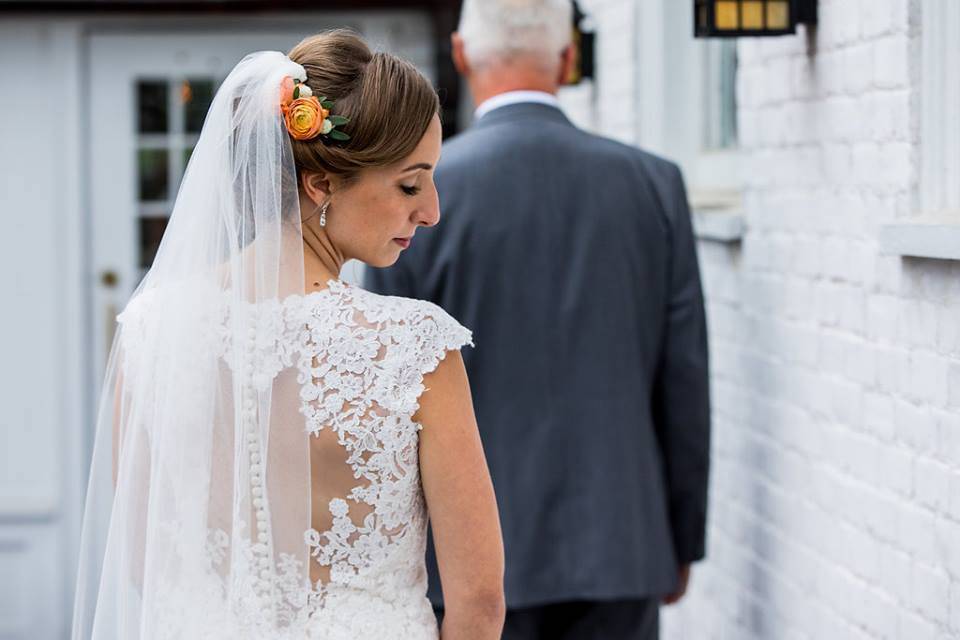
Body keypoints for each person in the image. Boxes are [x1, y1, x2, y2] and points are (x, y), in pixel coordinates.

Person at [72, 30, 504, 640]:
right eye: (410, 184)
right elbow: (479, 601)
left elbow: (145, 559)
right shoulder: (412, 349)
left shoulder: (152, 332)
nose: (431, 211)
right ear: (320, 184)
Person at [365, 1, 711, 638]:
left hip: (467, 564)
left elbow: (390, 398)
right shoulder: (653, 184)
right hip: (622, 547)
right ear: (569, 56)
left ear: (463, 55)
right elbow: (683, 379)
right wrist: (680, 538)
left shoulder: (418, 196)